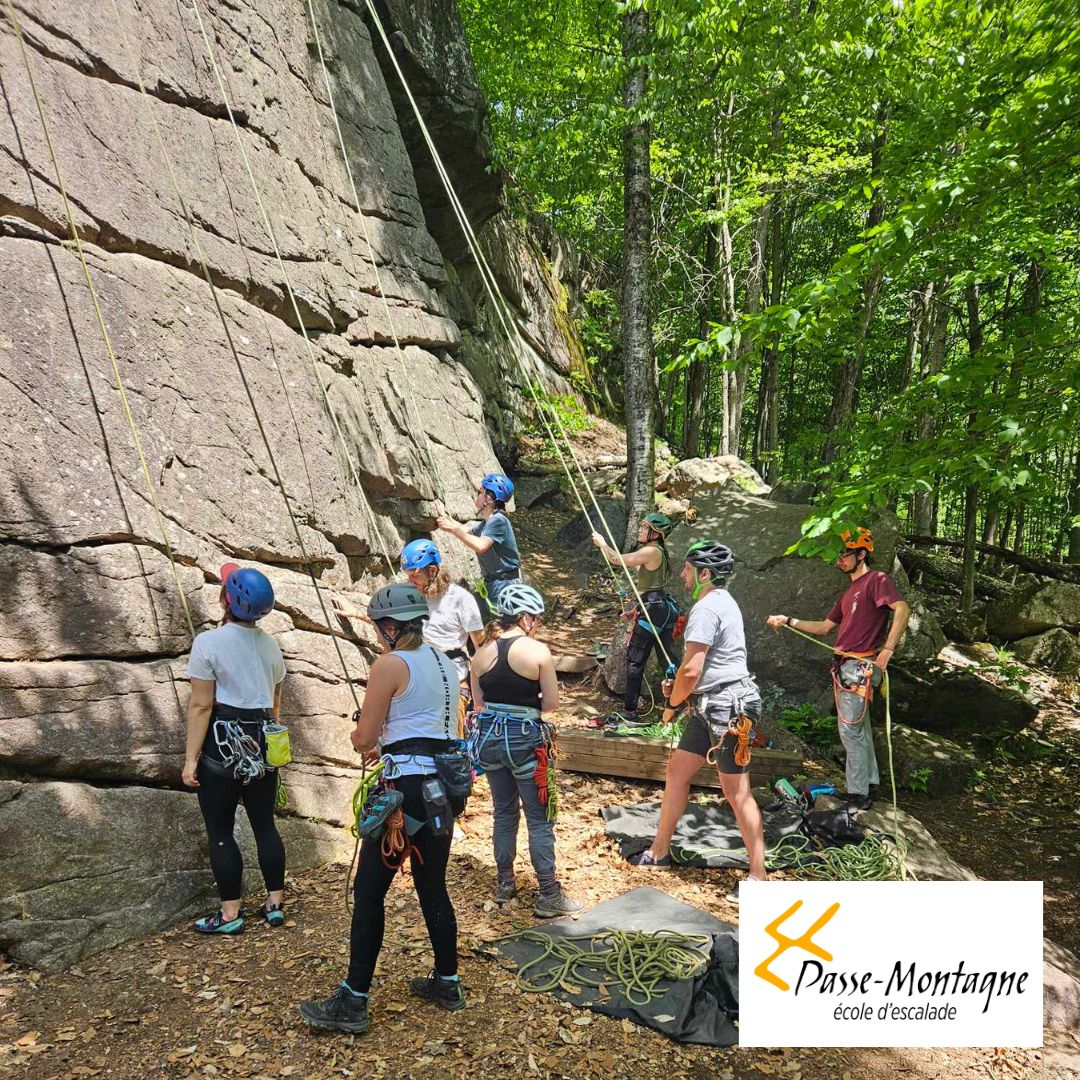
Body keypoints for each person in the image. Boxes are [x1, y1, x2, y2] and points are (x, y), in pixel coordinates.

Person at [300, 584, 465, 1034]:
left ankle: (353, 1000)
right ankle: (447, 983)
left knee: (370, 890)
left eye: (378, 628)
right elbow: (437, 726)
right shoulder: (447, 663)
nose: (377, 635)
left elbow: (362, 739)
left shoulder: (390, 664)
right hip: (441, 792)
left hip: (405, 793)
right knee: (433, 886)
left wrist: (372, 736)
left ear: (392, 628)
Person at [634, 541, 767, 903]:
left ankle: (759, 877)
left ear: (705, 574)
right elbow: (698, 669)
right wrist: (681, 695)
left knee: (736, 792)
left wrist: (672, 701)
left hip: (728, 709)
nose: (682, 574)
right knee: (677, 771)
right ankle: (659, 852)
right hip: (712, 704)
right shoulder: (721, 603)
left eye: (689, 568)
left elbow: (692, 670)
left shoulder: (707, 607)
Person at [766, 527, 911, 810]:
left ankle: (858, 795)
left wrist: (888, 650)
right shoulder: (849, 593)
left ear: (861, 554)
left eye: (845, 554)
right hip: (847, 667)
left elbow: (902, 609)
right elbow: (823, 627)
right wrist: (788, 620)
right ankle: (868, 785)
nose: (839, 560)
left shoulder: (876, 580)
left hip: (860, 666)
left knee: (851, 731)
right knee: (861, 729)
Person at [183, 563, 287, 934]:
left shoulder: (208, 643)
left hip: (222, 746)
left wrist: (191, 759)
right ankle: (274, 904)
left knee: (221, 830)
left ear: (227, 599)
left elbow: (201, 705)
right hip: (262, 743)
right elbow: (274, 706)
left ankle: (230, 915)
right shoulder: (272, 646)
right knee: (265, 826)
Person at [469, 583, 582, 917]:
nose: (539, 624)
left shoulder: (481, 654)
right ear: (526, 618)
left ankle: (505, 883)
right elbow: (550, 704)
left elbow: (478, 704)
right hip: (525, 740)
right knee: (539, 817)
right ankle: (548, 894)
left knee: (504, 812)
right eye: (538, 618)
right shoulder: (537, 652)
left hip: (489, 739)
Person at [336, 539, 484, 735]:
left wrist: (483, 692)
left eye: (415, 575)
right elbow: (391, 623)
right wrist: (356, 614)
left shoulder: (460, 599)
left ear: (432, 571)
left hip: (451, 681)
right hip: (414, 678)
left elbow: (481, 646)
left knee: (450, 743)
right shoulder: (412, 597)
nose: (410, 580)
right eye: (408, 575)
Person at [590, 511, 679, 726]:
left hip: (653, 608)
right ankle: (678, 704)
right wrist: (635, 609)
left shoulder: (651, 551)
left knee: (635, 659)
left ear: (655, 534)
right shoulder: (658, 552)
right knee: (667, 659)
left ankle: (630, 710)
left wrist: (603, 544)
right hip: (659, 607)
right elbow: (652, 587)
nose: (640, 530)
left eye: (644, 527)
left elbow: (617, 560)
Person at [435, 472, 520, 613]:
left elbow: (481, 546)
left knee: (500, 627)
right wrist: (444, 515)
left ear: (489, 499)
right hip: (495, 583)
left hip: (504, 585)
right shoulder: (488, 523)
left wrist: (453, 529)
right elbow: (466, 531)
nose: (476, 494)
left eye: (480, 491)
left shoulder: (499, 520)